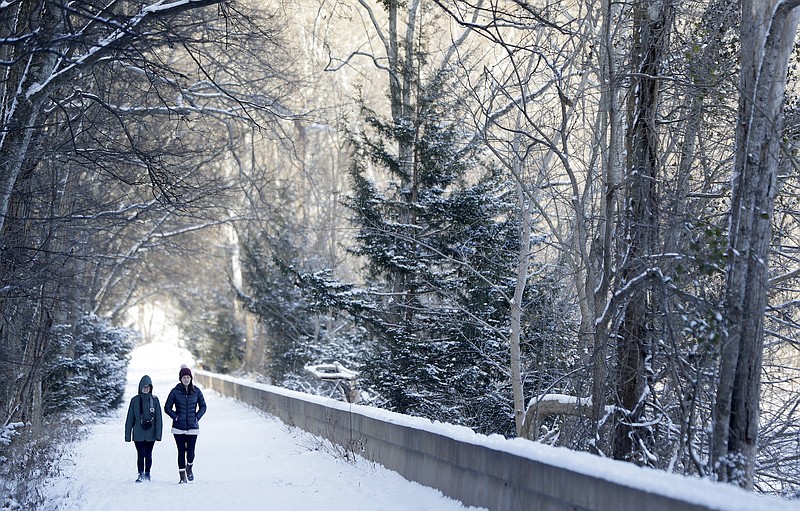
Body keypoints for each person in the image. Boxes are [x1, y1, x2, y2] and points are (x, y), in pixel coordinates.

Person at [164, 366, 207, 483]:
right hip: (178, 427)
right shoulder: (175, 391)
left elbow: (203, 406)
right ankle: (182, 476)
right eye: (184, 377)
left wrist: (197, 417)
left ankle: (190, 467)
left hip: (193, 426)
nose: (186, 379)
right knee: (181, 451)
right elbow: (167, 407)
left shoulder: (196, 391)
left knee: (191, 452)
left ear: (191, 378)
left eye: (188, 377)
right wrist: (176, 417)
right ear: (180, 379)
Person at [124, 375, 163, 483]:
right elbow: (130, 418)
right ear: (140, 387)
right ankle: (140, 473)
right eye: (144, 387)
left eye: (148, 387)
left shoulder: (155, 400)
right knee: (140, 453)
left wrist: (158, 434)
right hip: (138, 433)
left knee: (149, 453)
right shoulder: (135, 400)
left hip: (151, 433)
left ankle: (147, 473)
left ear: (151, 388)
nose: (146, 389)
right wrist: (128, 435)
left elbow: (159, 418)